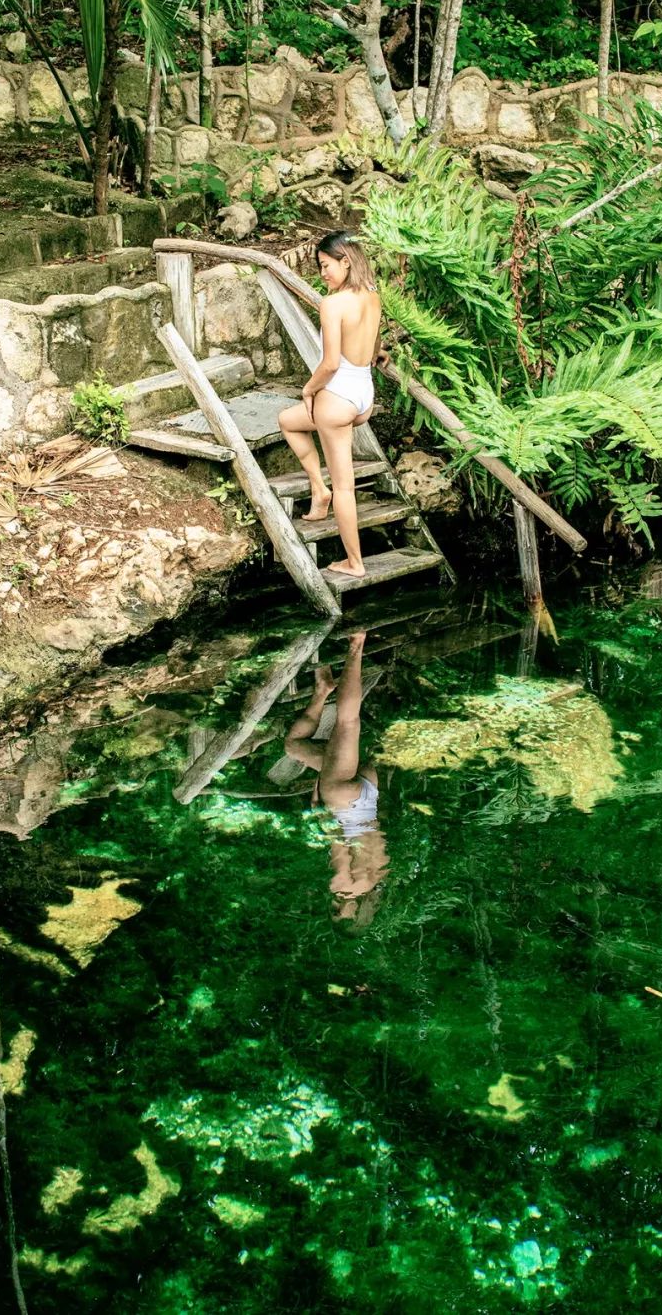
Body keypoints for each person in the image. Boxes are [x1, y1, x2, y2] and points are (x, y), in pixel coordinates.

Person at [277, 230, 383, 579]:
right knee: (288, 421)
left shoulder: (332, 304)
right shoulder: (371, 295)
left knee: (346, 487)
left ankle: (354, 563)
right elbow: (373, 340)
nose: (322, 274)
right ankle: (317, 490)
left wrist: (309, 389)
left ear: (346, 261)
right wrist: (379, 353)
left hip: (337, 400)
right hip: (363, 396)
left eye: (326, 265)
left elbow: (331, 364)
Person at [283, 632, 388, 924]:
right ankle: (357, 644)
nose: (336, 909)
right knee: (347, 721)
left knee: (294, 748)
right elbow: (337, 841)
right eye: (339, 915)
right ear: (352, 914)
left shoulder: (377, 879)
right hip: (342, 801)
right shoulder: (343, 887)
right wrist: (319, 798)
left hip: (368, 795)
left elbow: (372, 839)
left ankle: (323, 689)